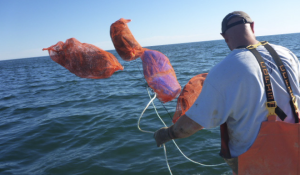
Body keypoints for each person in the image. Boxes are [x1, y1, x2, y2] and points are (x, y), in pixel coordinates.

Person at [154, 11, 300, 174]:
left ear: (224, 36)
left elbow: (189, 126)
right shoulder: (287, 54)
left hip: (258, 164)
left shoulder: (225, 70)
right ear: (252, 27)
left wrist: (167, 133)